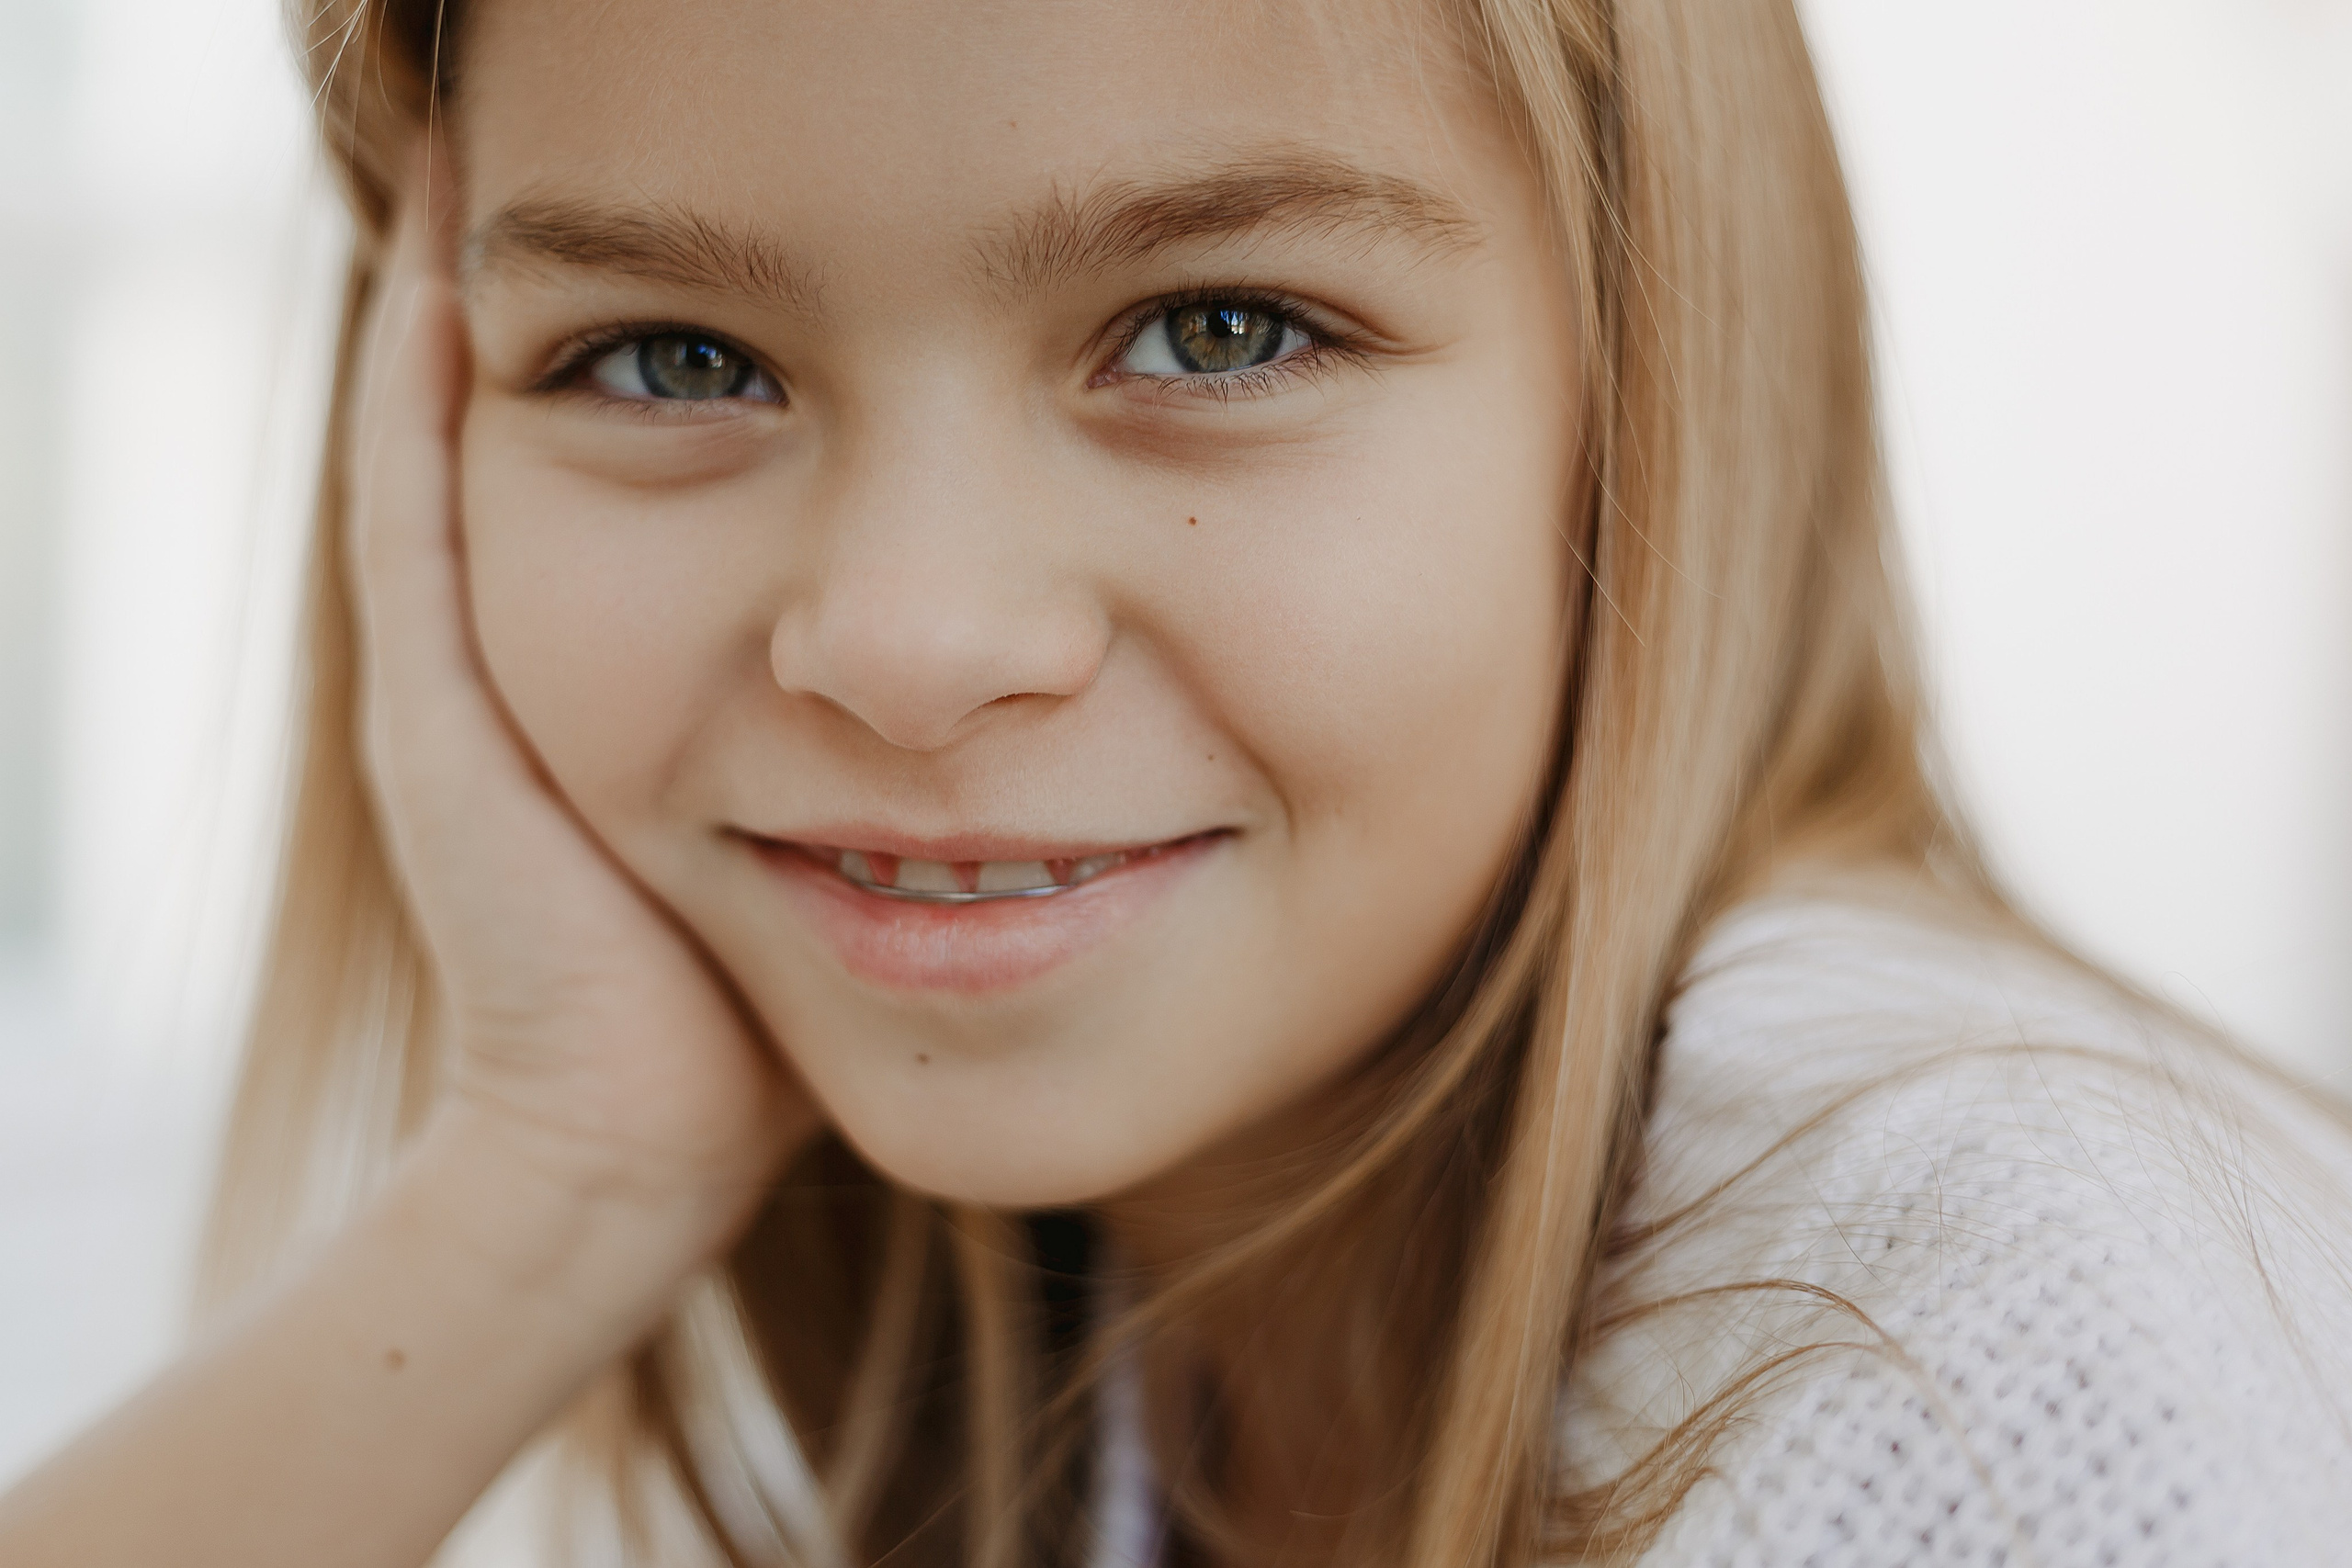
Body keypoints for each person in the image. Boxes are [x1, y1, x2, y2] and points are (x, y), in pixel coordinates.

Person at [4, 0, 2348, 1563]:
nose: (908, 640)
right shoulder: (1116, 1323)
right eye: (667, 352)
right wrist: (553, 1172)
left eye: (1219, 328)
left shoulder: (1977, 1322)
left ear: (1648, 399)